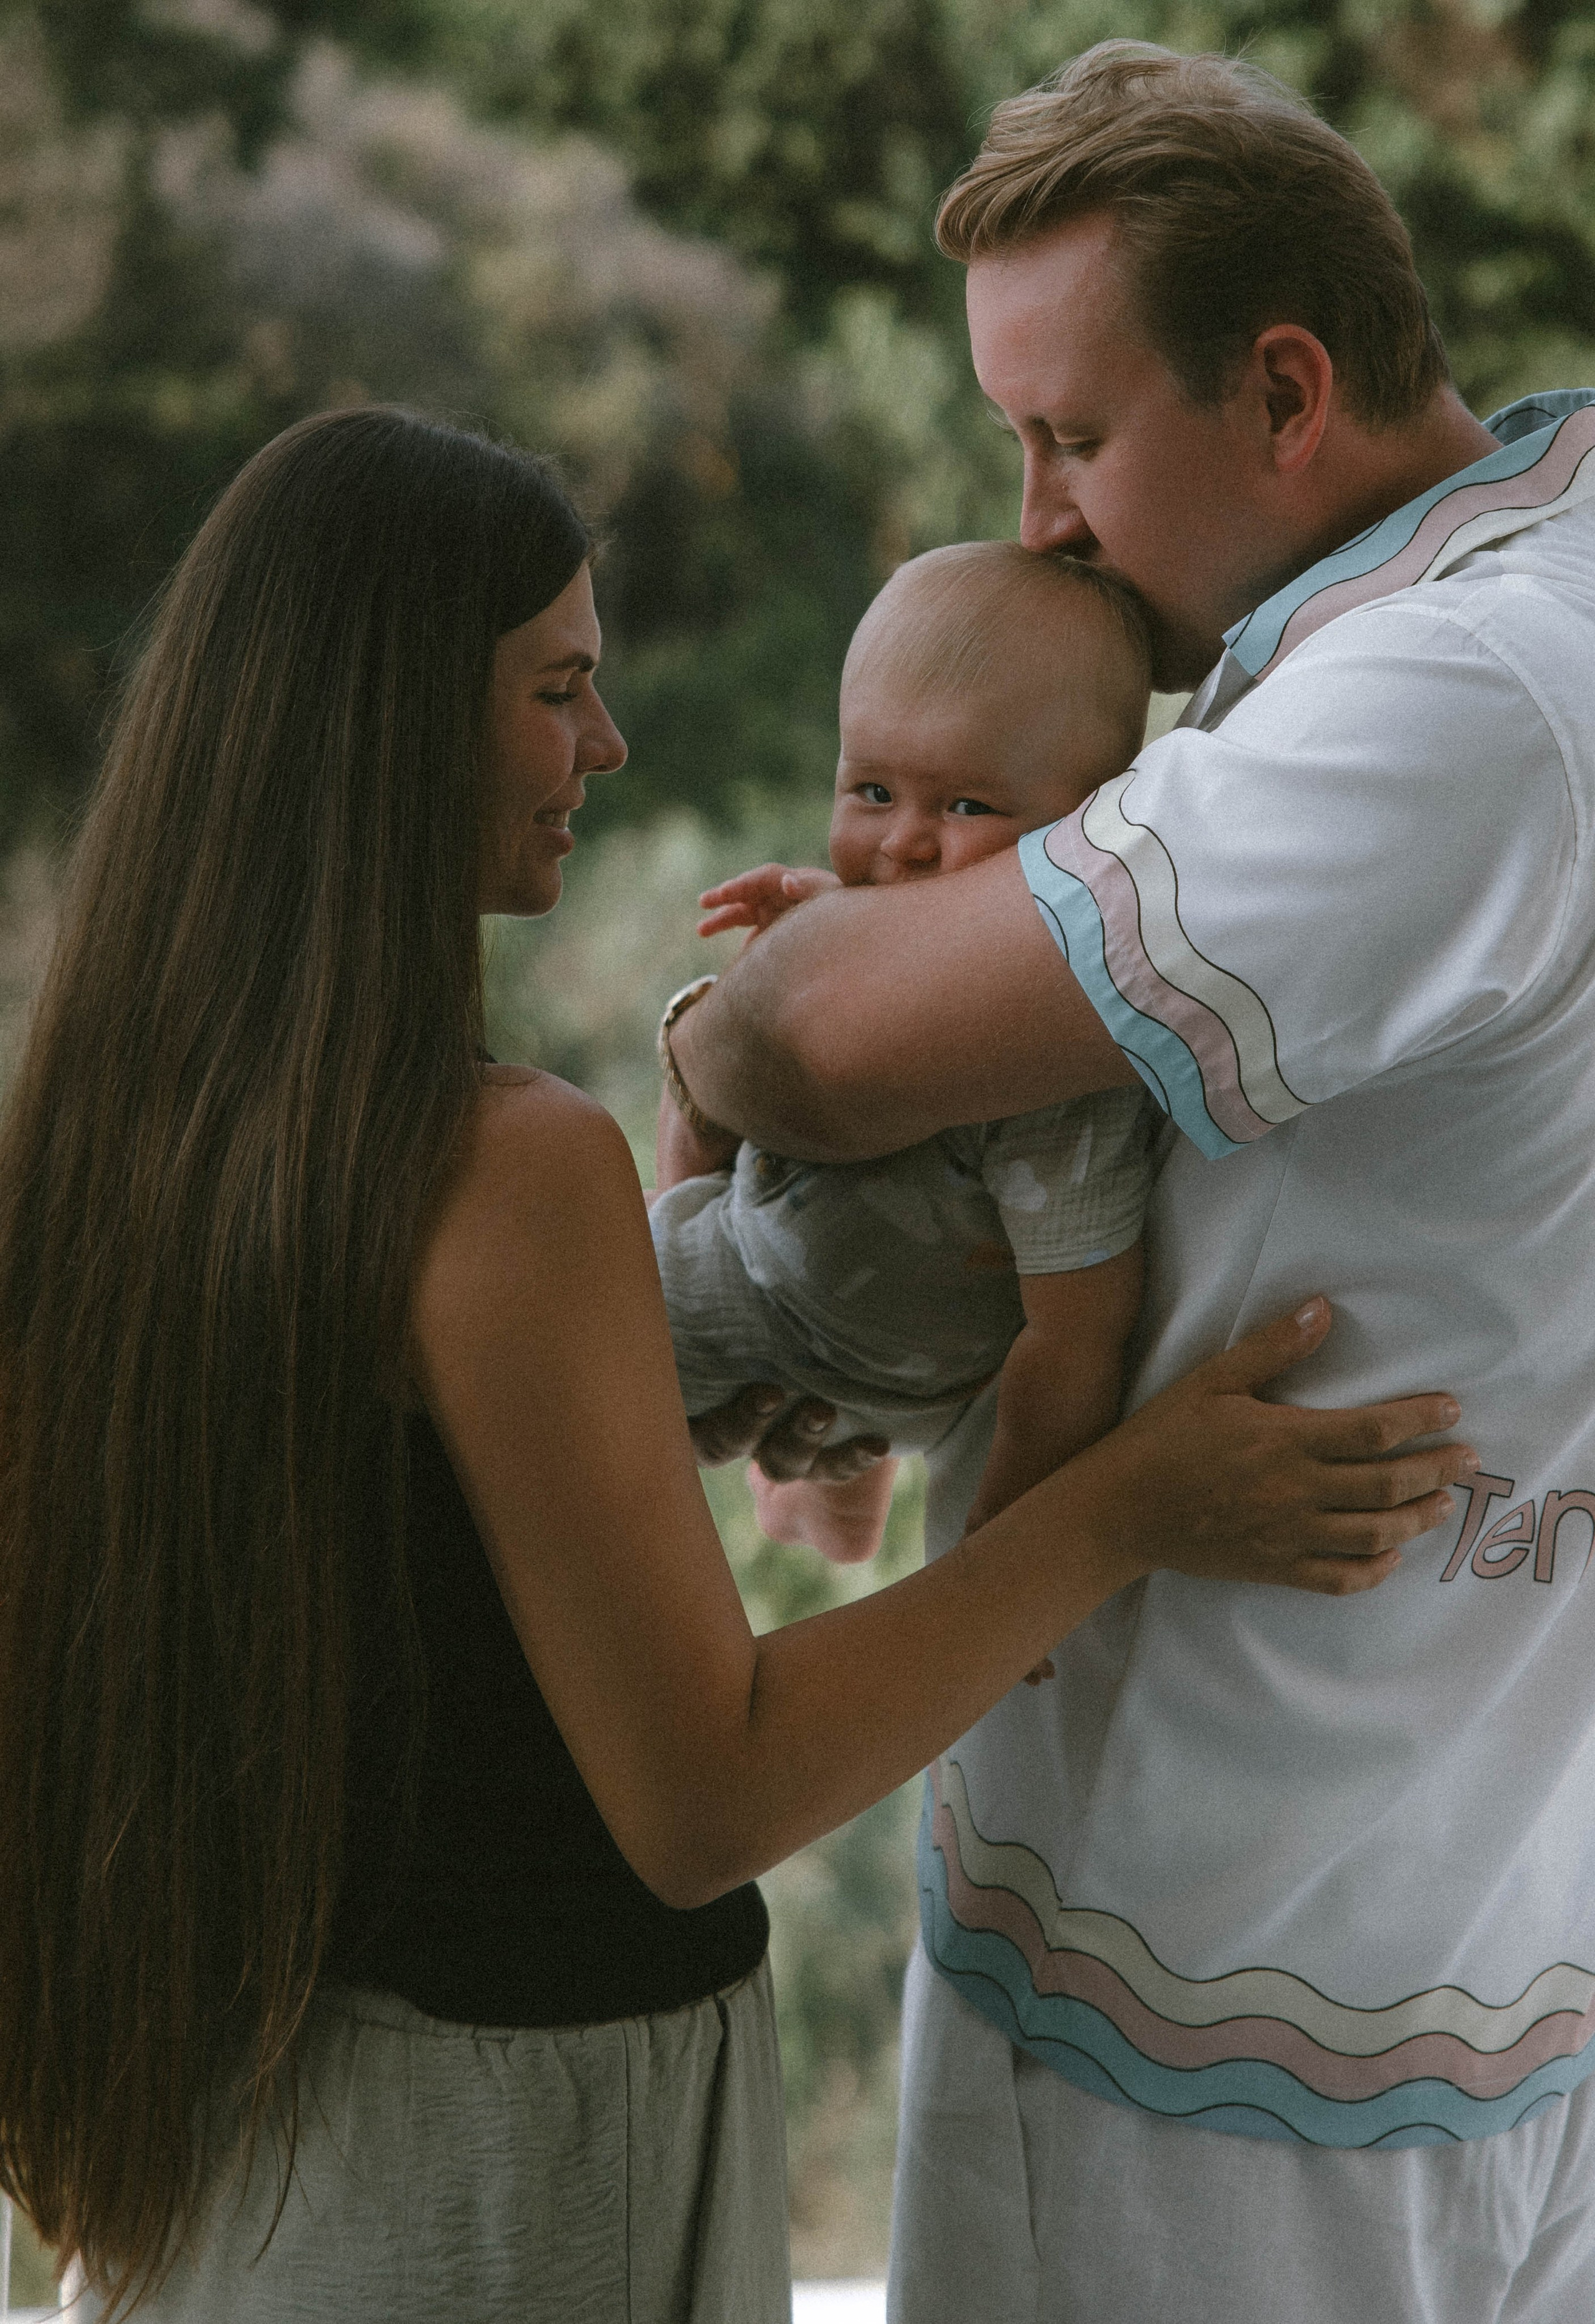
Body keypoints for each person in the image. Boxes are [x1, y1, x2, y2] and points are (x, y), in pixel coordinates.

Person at [0, 407, 1468, 2324]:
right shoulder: (499, 1169)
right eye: (557, 688)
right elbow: (710, 1792)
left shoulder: (113, 1142)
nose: (607, 745)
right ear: (391, 718)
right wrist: (1129, 1508)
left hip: (251, 2142)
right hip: (506, 2175)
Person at [664, 41, 1595, 2324]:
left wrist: (710, 1029)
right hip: (1483, 1943)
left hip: (1201, 1975)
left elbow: (826, 1038)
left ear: (1285, 388)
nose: (1042, 516)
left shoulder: (1445, 704)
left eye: (1069, 437)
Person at [651, 542, 1160, 1571]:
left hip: (787, 1313)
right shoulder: (880, 942)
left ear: (1090, 822)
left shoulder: (1057, 1060)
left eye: (968, 806)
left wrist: (1003, 1552)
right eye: (872, 790)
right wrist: (815, 927)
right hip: (825, 1320)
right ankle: (827, 1493)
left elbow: (1076, 1337)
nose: (904, 843)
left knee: (555, 1341)